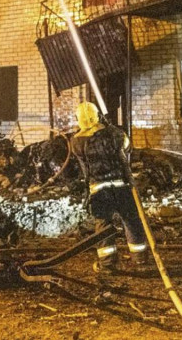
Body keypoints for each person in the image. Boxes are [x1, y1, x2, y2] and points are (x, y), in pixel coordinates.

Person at [68, 101, 149, 272]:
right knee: (132, 220)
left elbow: (84, 166)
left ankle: (107, 264)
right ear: (97, 115)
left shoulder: (76, 142)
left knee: (103, 226)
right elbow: (127, 148)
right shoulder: (115, 134)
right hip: (122, 186)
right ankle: (140, 257)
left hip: (99, 189)